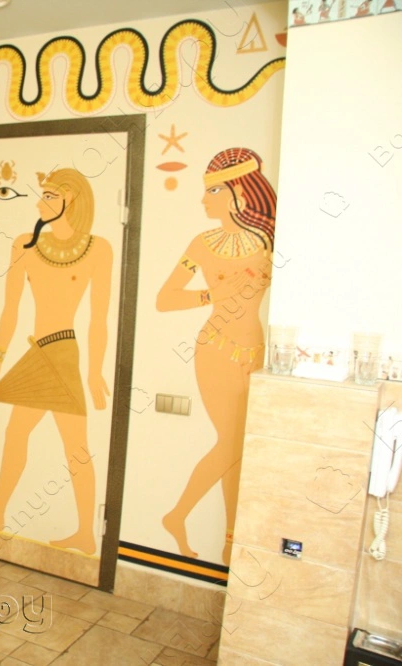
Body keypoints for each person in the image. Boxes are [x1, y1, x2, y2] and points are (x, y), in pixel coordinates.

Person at [0, 168, 112, 555]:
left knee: (75, 445)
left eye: (49, 196)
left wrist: (95, 371)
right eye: (41, 195)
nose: (39, 203)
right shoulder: (25, 245)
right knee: (16, 433)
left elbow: (99, 318)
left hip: (63, 352)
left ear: (72, 200)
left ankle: (85, 533)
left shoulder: (99, 248)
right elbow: (10, 308)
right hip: (38, 354)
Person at [157, 148, 277, 565]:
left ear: (239, 193)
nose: (203, 200)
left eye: (212, 191)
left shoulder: (269, 241)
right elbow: (165, 298)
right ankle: (180, 516)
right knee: (232, 442)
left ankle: (226, 538)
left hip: (256, 349)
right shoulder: (203, 243)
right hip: (216, 349)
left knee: (238, 446)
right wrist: (212, 294)